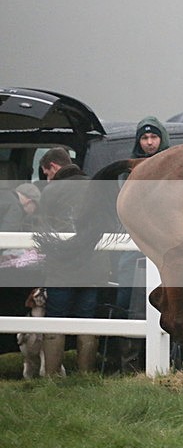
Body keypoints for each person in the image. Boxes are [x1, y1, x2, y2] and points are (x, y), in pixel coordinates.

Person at [38, 147, 108, 374]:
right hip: (93, 268)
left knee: (55, 321)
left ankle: (51, 376)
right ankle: (86, 374)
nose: (47, 180)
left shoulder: (51, 192)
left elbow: (42, 229)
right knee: (87, 321)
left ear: (54, 167)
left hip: (62, 268)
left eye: (46, 174)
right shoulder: (95, 187)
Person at [110, 116, 170, 373]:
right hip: (133, 243)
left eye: (153, 137)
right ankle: (128, 364)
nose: (149, 142)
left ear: (161, 139)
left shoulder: (172, 165)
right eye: (144, 138)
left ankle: (168, 359)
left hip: (165, 242)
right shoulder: (128, 171)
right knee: (127, 301)